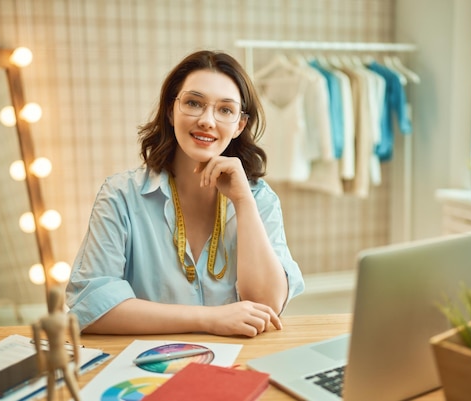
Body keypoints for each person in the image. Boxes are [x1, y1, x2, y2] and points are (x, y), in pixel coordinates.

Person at [65, 50, 304, 337]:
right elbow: (91, 309)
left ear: (240, 125)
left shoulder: (260, 200)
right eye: (193, 103)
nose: (207, 120)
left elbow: (266, 306)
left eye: (225, 110)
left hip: (236, 365)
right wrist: (210, 319)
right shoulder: (120, 196)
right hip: (148, 369)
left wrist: (243, 203)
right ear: (170, 110)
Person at [32, 285, 81, 401]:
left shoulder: (43, 321)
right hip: (62, 355)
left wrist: (40, 369)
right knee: (69, 378)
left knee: (50, 382)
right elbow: (75, 342)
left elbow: (38, 349)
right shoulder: (67, 318)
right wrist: (77, 364)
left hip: (51, 356)